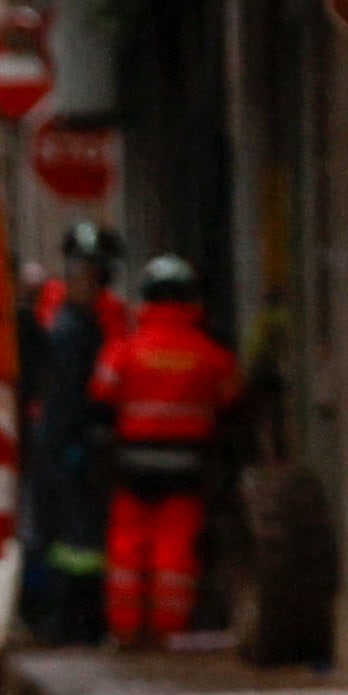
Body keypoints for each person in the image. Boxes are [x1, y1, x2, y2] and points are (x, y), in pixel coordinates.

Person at [91, 254, 241, 651]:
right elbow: (233, 401)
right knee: (175, 546)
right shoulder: (211, 354)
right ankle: (167, 628)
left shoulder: (123, 350)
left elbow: (101, 397)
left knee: (127, 545)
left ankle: (126, 629)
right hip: (187, 467)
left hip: (132, 465)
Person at [22, 220, 126, 645]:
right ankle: (69, 623)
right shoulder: (70, 329)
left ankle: (72, 621)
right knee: (72, 541)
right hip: (63, 450)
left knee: (74, 542)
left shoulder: (84, 323)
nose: (90, 283)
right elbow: (64, 396)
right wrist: (69, 444)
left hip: (67, 447)